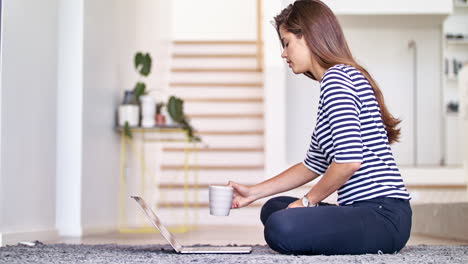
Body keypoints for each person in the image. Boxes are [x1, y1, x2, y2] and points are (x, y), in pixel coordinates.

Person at [227, 0, 412, 255]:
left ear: (308, 36)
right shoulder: (337, 80)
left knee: (281, 226)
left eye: (286, 43)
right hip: (365, 211)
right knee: (274, 209)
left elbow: (348, 162)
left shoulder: (337, 79)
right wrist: (253, 192)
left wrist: (307, 201)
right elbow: (311, 165)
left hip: (384, 215)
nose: (283, 54)